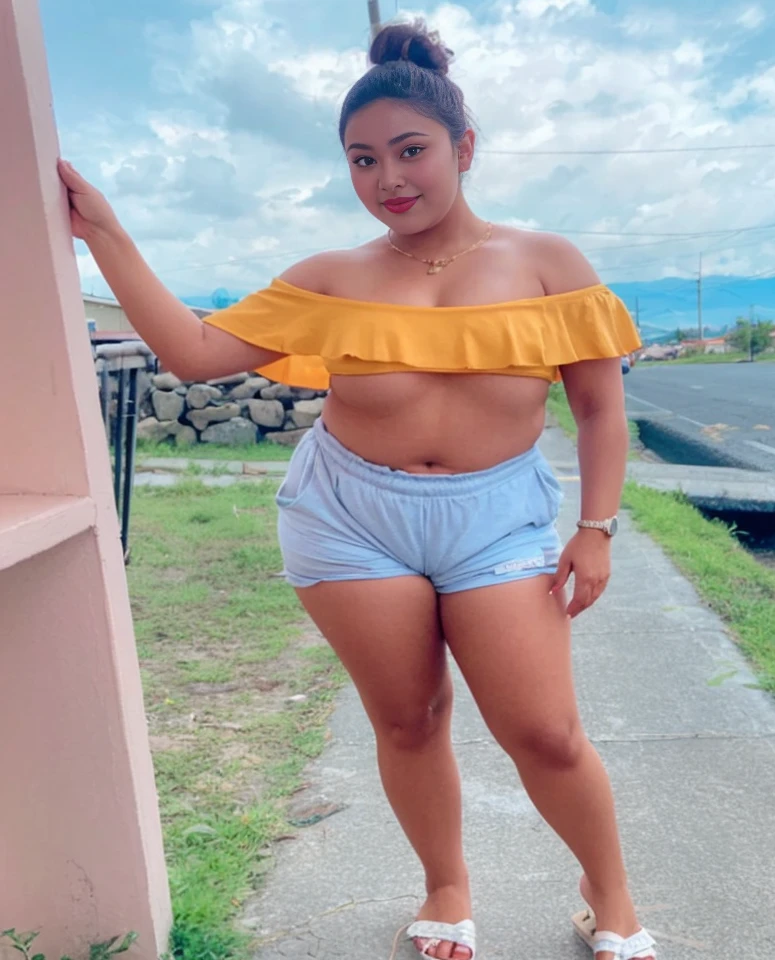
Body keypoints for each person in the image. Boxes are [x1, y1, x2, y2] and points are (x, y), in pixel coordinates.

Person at [58, 20, 652, 960]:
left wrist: (596, 528)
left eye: (410, 151)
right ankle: (446, 887)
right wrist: (110, 235)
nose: (389, 179)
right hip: (351, 519)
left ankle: (610, 895)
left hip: (497, 518)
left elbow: (598, 410)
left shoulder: (547, 263)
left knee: (543, 730)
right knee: (408, 717)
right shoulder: (330, 279)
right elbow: (194, 352)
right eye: (363, 160)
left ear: (463, 148)